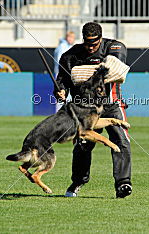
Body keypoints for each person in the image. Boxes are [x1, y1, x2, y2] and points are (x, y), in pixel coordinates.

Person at [54, 22, 132, 198]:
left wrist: (78, 73)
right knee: (83, 145)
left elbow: (115, 69)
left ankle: (123, 184)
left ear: (101, 39)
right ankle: (77, 182)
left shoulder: (114, 47)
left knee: (122, 140)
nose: (90, 48)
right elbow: (63, 81)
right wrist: (60, 91)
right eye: (87, 44)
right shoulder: (70, 55)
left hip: (111, 104)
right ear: (83, 39)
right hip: (84, 108)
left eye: (94, 44)